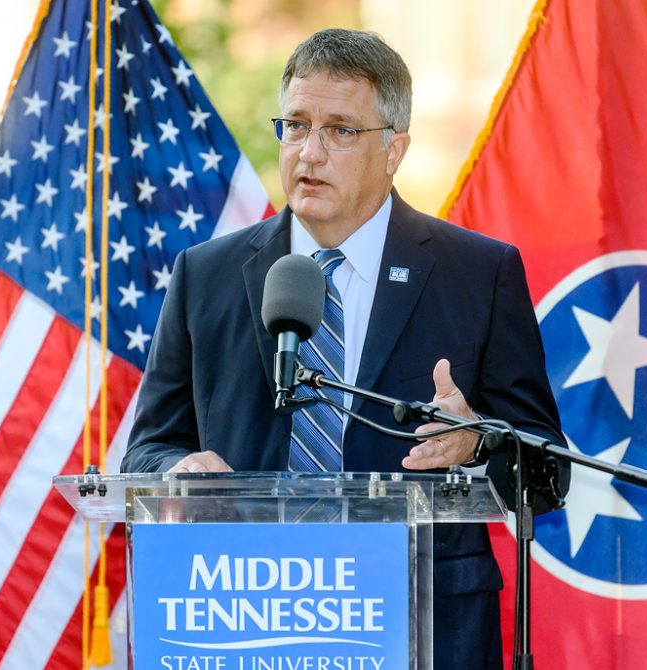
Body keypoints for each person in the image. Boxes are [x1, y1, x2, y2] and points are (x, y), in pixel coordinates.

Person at [122, 28, 566, 669]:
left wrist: (478, 442)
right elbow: (149, 446)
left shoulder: (477, 273)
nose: (310, 152)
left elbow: (548, 472)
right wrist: (178, 470)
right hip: (246, 618)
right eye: (296, 126)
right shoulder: (206, 273)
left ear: (394, 150)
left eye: (340, 130)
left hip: (423, 624)